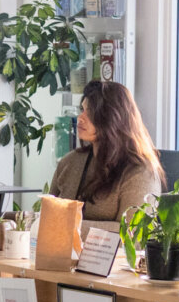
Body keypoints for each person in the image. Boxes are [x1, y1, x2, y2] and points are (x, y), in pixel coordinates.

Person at [50, 79, 164, 232]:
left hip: (116, 256)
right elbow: (48, 216)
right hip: (61, 253)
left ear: (113, 117)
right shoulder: (69, 162)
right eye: (82, 110)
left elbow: (134, 235)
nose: (80, 118)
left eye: (90, 112)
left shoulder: (141, 172)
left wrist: (67, 227)